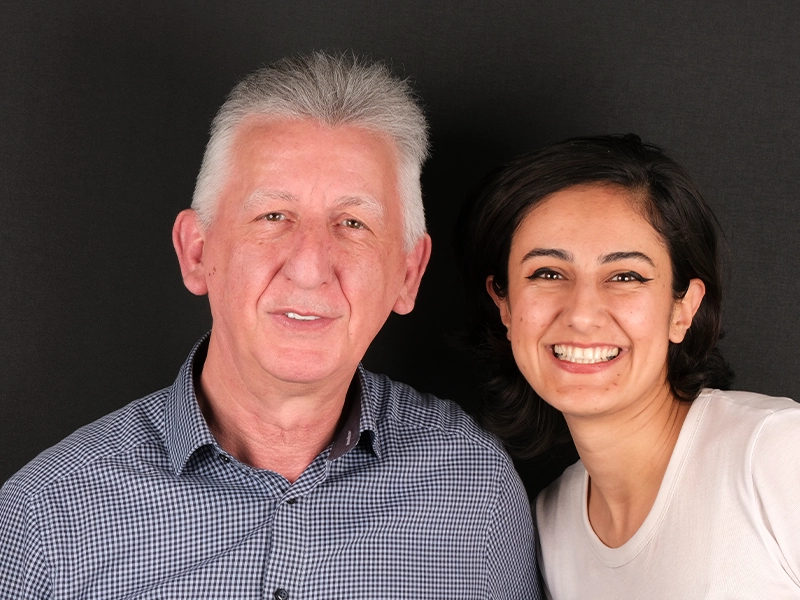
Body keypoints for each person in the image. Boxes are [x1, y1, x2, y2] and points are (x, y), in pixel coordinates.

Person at [0, 53, 537, 599]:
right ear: (196, 251)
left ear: (407, 274)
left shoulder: (475, 490)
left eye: (353, 223)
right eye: (273, 216)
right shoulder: (49, 519)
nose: (309, 266)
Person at [460, 134, 800, 598]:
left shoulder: (777, 453)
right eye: (547, 273)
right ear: (504, 305)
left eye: (625, 276)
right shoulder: (549, 525)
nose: (581, 313)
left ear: (683, 309)